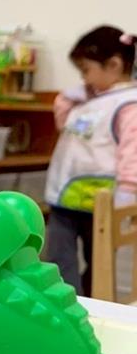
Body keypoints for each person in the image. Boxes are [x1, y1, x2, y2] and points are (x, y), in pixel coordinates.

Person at [45, 25, 137, 295]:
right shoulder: (89, 100)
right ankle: (65, 302)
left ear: (114, 65)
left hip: (101, 202)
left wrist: (128, 194)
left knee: (99, 266)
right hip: (64, 198)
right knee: (58, 260)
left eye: (86, 70)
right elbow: (64, 126)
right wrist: (66, 99)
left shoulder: (128, 104)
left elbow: (132, 153)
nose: (83, 78)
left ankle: (90, 304)